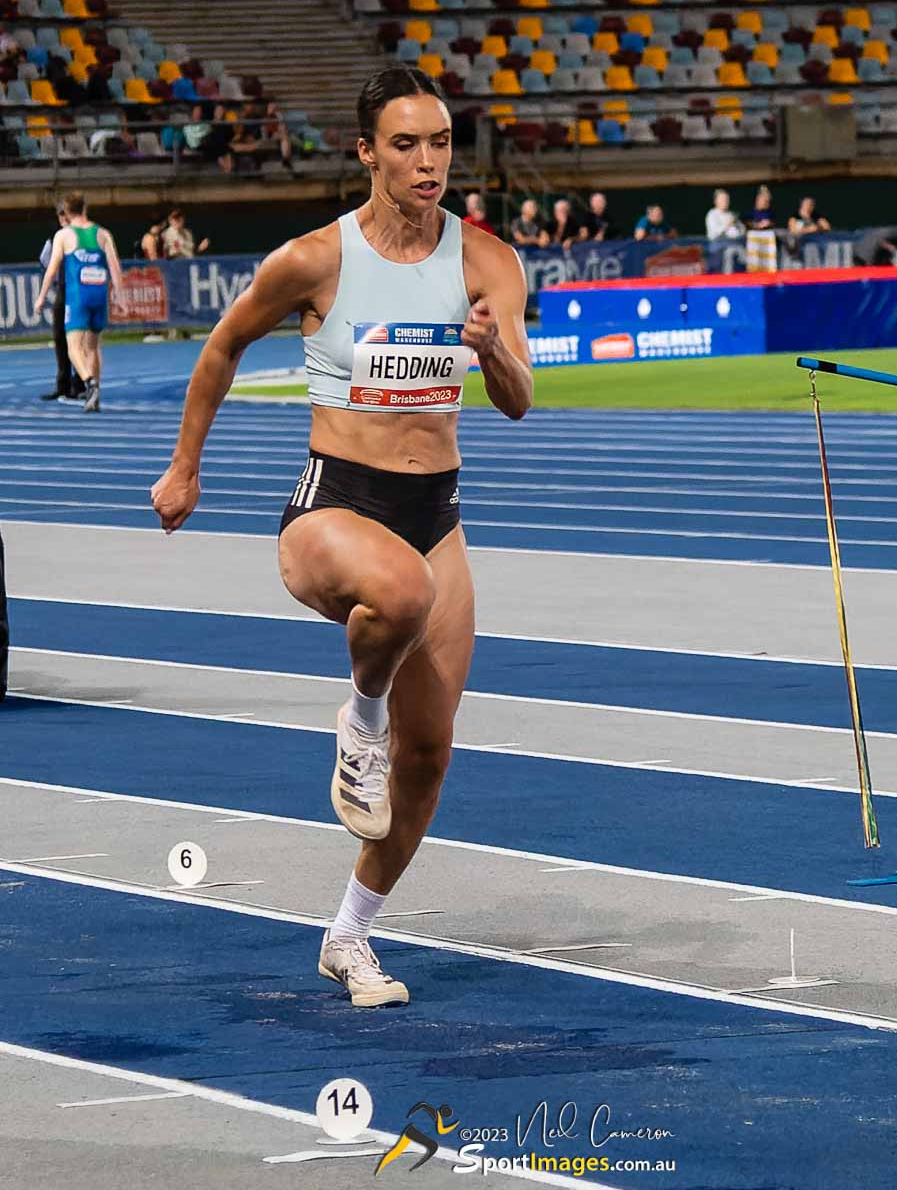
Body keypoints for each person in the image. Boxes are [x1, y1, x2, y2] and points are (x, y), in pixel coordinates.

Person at [149, 65, 532, 1008]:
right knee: (401, 593)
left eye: (440, 142)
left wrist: (489, 350)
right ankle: (359, 715)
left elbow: (520, 400)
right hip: (332, 505)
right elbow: (223, 345)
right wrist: (185, 467)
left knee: (431, 755)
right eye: (406, 144)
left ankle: (348, 937)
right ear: (368, 153)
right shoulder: (314, 258)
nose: (427, 161)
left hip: (435, 510)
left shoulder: (489, 263)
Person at [34, 192, 123, 413]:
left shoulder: (64, 236)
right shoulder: (102, 234)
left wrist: (41, 296)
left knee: (74, 347)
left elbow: (52, 269)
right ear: (85, 208)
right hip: (99, 295)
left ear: (66, 211)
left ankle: (90, 384)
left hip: (77, 297)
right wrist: (120, 297)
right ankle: (96, 392)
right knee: (93, 347)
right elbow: (115, 268)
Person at [37, 204, 85, 403]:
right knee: (59, 337)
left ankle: (81, 383)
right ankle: (63, 385)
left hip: (79, 290)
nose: (63, 219)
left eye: (66, 215)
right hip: (64, 290)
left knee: (78, 339)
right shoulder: (55, 238)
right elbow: (44, 260)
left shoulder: (82, 236)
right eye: (61, 216)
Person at [745, 184, 778, 273]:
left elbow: (774, 222)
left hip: (768, 237)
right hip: (753, 237)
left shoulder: (770, 212)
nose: (766, 202)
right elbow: (746, 223)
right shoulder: (750, 212)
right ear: (757, 199)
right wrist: (756, 225)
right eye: (763, 200)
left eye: (767, 200)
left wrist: (768, 223)